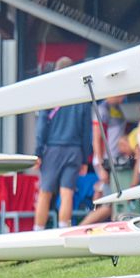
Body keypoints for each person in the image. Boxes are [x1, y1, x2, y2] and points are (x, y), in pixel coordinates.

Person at [33, 61, 94, 229]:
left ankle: (37, 232)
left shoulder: (50, 96)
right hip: (74, 151)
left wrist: (38, 152)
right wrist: (85, 158)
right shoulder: (81, 97)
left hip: (52, 149)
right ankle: (63, 231)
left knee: (45, 193)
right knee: (67, 193)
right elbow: (86, 130)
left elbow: (41, 126)